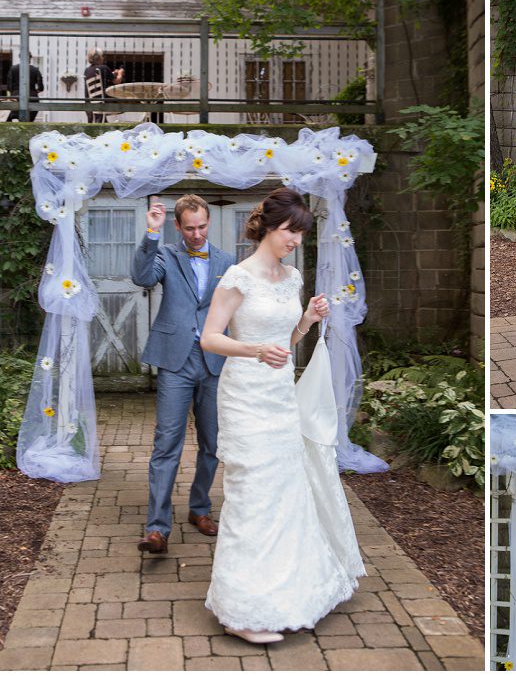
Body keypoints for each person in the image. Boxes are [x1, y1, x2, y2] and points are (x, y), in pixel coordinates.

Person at [200, 187, 364, 644]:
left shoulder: (291, 278)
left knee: (284, 492)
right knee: (251, 494)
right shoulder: (238, 277)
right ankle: (240, 610)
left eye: (301, 234)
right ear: (269, 226)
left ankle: (284, 593)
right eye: (291, 231)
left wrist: (307, 321)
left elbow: (285, 344)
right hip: (245, 398)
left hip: (279, 397)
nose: (296, 240)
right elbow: (209, 338)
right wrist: (254, 348)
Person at [131, 194, 234, 555]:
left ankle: (199, 509)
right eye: (189, 228)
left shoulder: (226, 261)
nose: (196, 234)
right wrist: (151, 232)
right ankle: (157, 528)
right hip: (175, 360)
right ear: (178, 226)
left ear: (209, 223)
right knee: (166, 444)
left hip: (214, 361)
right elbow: (141, 276)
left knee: (212, 443)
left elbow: (238, 309)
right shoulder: (166, 253)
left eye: (202, 226)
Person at [84, 47, 124, 122]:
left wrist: (112, 73)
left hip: (91, 104)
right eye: (102, 56)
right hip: (103, 103)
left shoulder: (87, 71)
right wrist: (120, 72)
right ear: (98, 58)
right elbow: (117, 81)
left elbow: (99, 78)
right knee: (125, 100)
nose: (103, 58)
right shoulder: (104, 68)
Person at [6, 54, 45, 121]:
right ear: (30, 58)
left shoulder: (13, 69)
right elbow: (41, 87)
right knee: (29, 120)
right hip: (32, 97)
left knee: (13, 117)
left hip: (16, 97)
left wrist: (14, 91)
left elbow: (9, 87)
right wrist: (36, 90)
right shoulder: (35, 70)